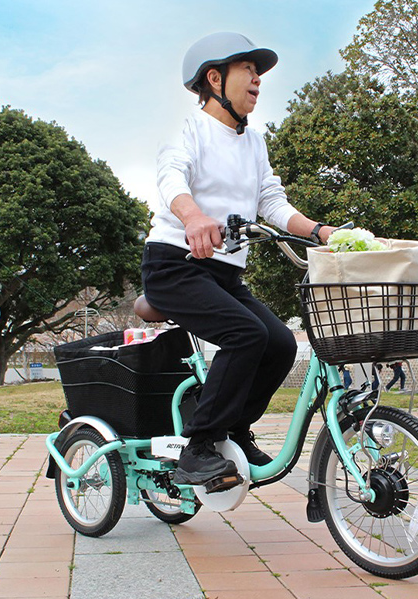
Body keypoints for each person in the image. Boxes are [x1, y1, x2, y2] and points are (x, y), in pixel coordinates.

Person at [144, 32, 337, 492]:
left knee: (280, 344)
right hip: (175, 265)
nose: (257, 79)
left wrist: (321, 232)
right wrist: (193, 217)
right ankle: (198, 448)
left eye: (258, 71)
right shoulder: (189, 129)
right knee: (246, 334)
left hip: (225, 274)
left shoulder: (254, 143)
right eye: (247, 69)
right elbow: (171, 177)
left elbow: (271, 200)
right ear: (215, 79)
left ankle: (232, 431)